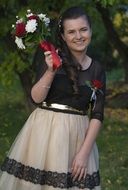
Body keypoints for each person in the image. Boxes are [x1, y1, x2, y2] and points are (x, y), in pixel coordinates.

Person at [0, 6, 106, 190]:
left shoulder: (97, 69)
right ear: (63, 36)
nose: (78, 36)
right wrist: (51, 71)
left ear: (90, 30)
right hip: (43, 134)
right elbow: (36, 98)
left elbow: (97, 115)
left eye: (83, 29)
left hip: (78, 138)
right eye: (71, 32)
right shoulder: (51, 58)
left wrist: (84, 153)